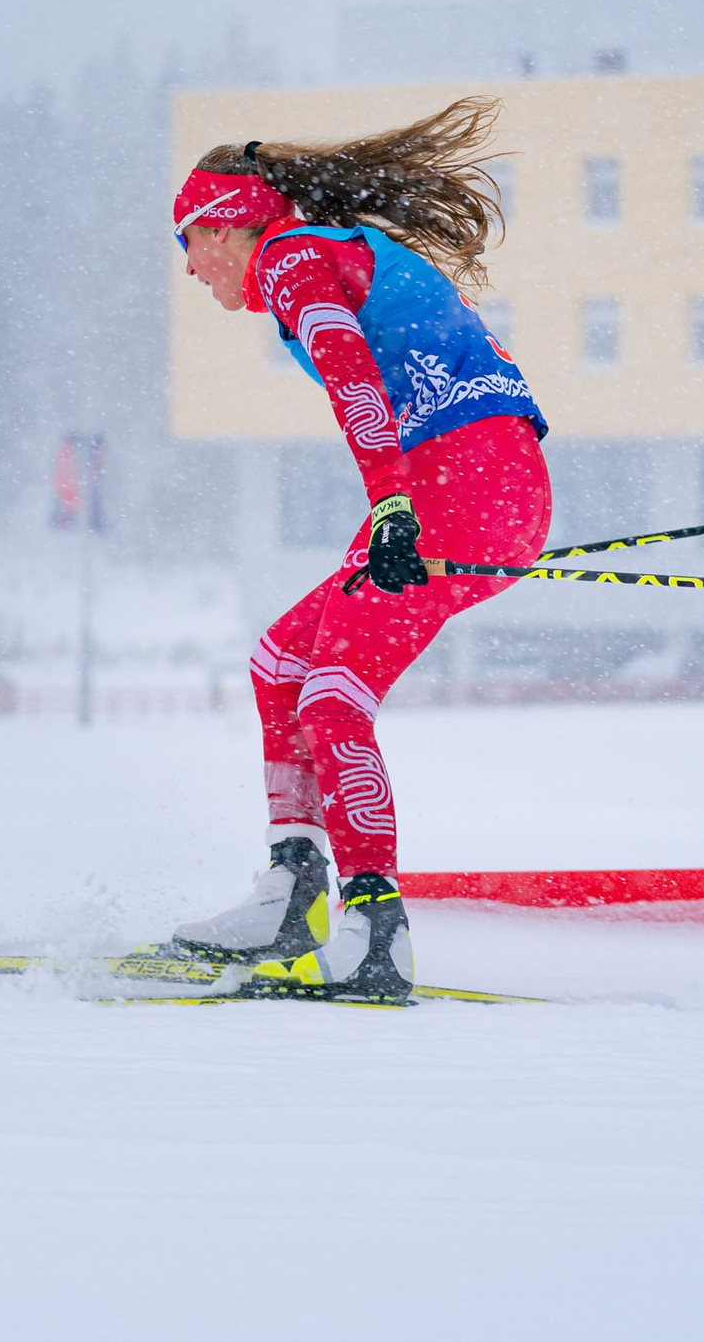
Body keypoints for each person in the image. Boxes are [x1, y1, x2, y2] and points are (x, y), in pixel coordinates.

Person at [165, 97, 551, 1001]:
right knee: (280, 662)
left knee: (334, 691)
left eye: (189, 239)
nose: (189, 267)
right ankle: (293, 894)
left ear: (229, 223)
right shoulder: (326, 254)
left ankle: (376, 933)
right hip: (473, 487)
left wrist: (390, 510)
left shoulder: (297, 259)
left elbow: (355, 384)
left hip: (456, 489)